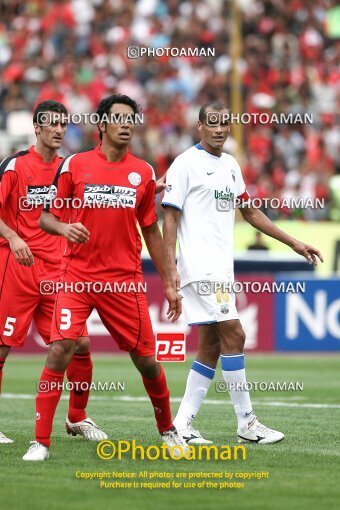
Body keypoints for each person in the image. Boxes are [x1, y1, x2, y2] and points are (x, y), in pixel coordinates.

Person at [23, 94, 186, 461]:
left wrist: (171, 281)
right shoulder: (75, 166)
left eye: (132, 119)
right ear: (102, 124)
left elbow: (152, 231)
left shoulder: (142, 172)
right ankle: (41, 441)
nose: (127, 124)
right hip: (76, 277)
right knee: (61, 348)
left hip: (123, 281)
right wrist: (65, 230)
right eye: (119, 118)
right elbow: (45, 217)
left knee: (146, 360)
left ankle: (168, 430)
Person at [162, 101, 323, 445]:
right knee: (235, 335)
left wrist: (293, 242)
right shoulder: (185, 164)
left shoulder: (231, 166)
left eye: (225, 124)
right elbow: (170, 218)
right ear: (200, 127)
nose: (220, 130)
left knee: (211, 346)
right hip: (199, 267)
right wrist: (170, 270)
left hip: (221, 268)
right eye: (213, 124)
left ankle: (182, 424)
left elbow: (250, 212)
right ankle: (247, 422)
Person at [0, 100, 107, 445]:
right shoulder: (16, 166)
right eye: (52, 124)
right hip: (17, 270)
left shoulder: (69, 168)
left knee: (79, 343)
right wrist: (13, 236)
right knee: (1, 348)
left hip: (58, 273)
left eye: (63, 124)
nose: (59, 129)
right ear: (37, 127)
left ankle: (77, 417)